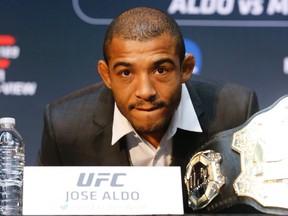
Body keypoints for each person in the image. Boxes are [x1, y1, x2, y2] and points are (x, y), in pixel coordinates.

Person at [38, 6, 259, 213]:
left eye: (160, 70)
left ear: (185, 69)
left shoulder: (235, 113)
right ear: (106, 75)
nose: (145, 91)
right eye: (126, 73)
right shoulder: (65, 127)